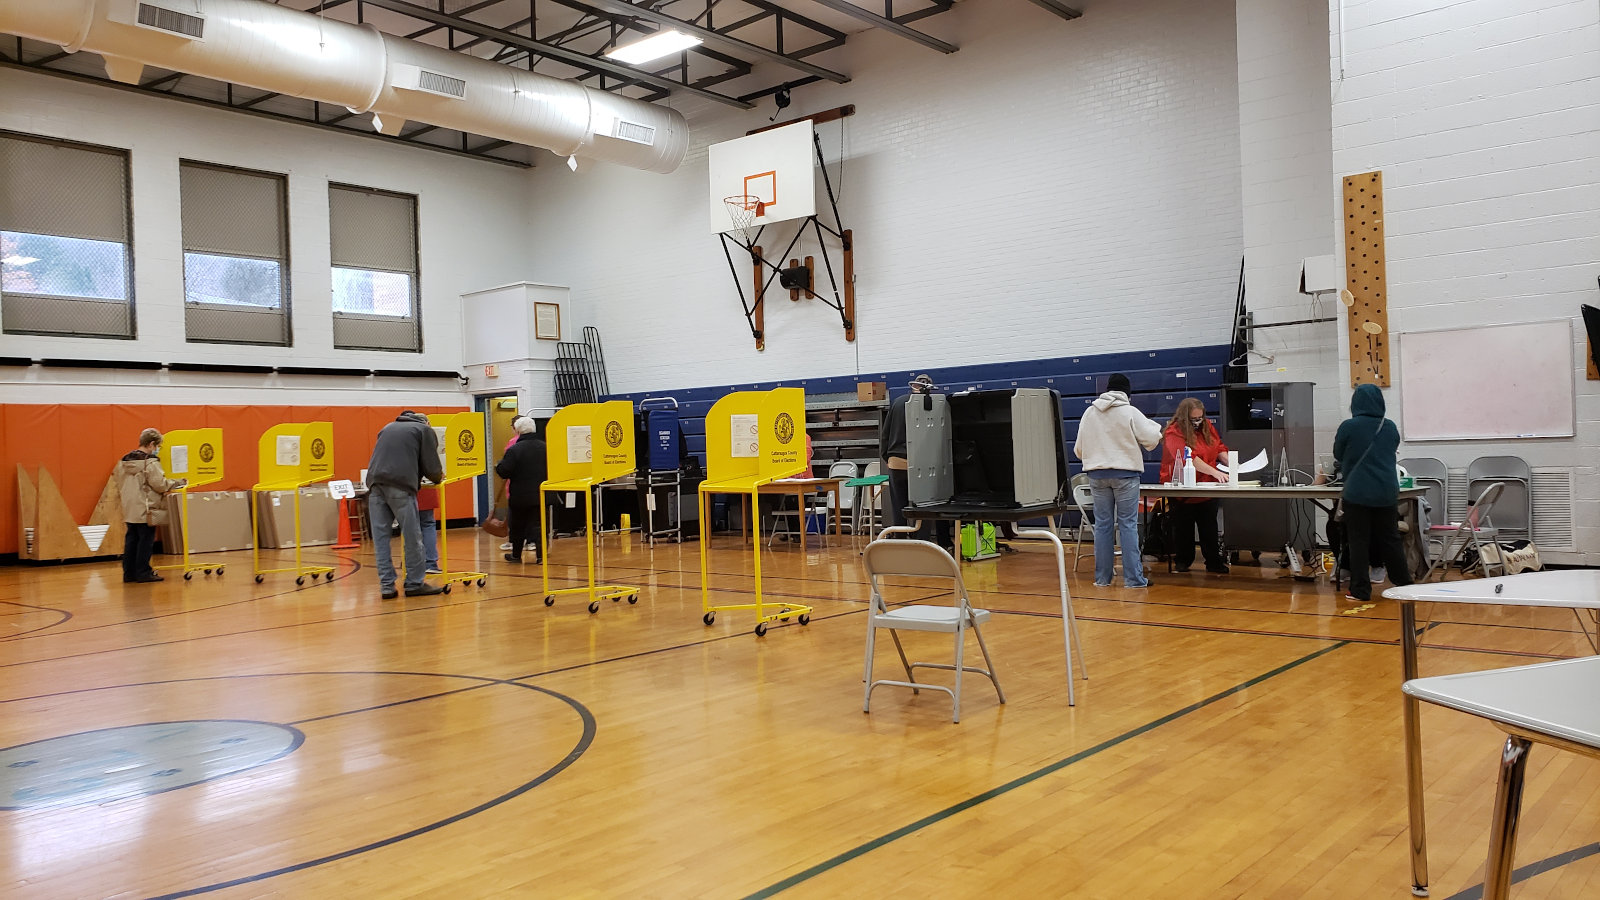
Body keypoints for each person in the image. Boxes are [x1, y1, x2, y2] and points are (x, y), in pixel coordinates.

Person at [1072, 373, 1162, 588]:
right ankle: (1133, 579)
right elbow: (1151, 440)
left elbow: (1078, 450)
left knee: (1102, 526)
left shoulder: (1089, 412)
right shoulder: (1130, 411)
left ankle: (1102, 578)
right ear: (1127, 392)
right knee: (1128, 525)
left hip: (1096, 475)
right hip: (1125, 475)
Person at [1333, 383, 1415, 603]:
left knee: (1359, 541)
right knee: (1390, 539)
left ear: (1355, 402)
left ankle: (1360, 590)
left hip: (1358, 492)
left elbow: (1338, 454)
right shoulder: (1389, 427)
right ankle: (1404, 584)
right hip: (1386, 492)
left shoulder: (1348, 426)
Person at [366, 410, 446, 599]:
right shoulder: (424, 430)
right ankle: (414, 583)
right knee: (412, 537)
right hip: (401, 486)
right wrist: (437, 476)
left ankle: (387, 587)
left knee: (381, 538)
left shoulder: (387, 427)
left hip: (375, 484)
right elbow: (432, 466)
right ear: (426, 422)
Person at [1158, 398, 1231, 574]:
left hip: (1207, 487)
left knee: (1209, 528)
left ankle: (1213, 561)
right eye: (1194, 419)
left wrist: (1232, 463)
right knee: (1184, 528)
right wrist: (1215, 472)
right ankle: (1183, 561)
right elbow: (1187, 457)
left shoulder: (1206, 426)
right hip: (1183, 489)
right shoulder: (1174, 431)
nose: (1198, 422)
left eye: (1200, 417)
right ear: (1184, 417)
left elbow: (1218, 447)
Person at [878, 374, 952, 549]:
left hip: (896, 462)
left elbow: (885, 435)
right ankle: (923, 544)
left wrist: (888, 458)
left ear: (913, 386)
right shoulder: (934, 405)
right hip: (923, 463)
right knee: (924, 506)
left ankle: (901, 543)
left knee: (899, 509)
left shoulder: (897, 403)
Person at [119, 428, 186, 583]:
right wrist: (178, 482)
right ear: (151, 444)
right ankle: (143, 572)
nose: (157, 450)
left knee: (132, 540)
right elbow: (160, 484)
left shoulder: (126, 461)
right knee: (145, 541)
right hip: (146, 507)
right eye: (157, 447)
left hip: (130, 507)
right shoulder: (150, 462)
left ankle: (129, 573)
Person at [495, 416, 548, 564]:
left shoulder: (514, 449)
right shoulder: (545, 447)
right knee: (539, 526)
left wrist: (498, 465)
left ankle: (516, 556)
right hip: (542, 493)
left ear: (518, 430)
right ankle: (541, 557)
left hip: (520, 495)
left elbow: (504, 471)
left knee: (518, 525)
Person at [417, 486, 442, 575]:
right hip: (426, 489)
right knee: (427, 524)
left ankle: (411, 564)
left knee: (410, 527)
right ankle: (430, 564)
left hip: (406, 493)